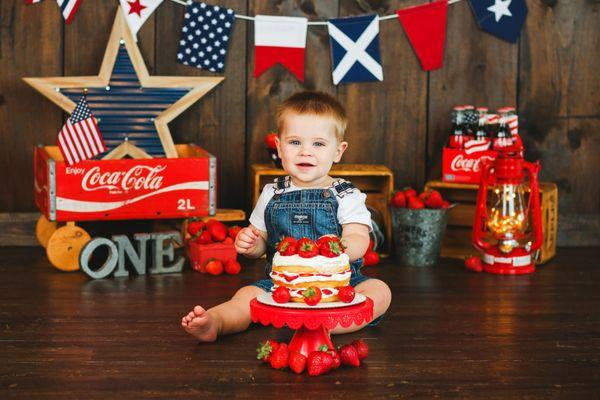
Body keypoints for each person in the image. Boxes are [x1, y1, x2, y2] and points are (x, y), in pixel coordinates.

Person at [181, 91, 392, 342]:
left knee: (379, 292)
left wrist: (339, 248)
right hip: (282, 287)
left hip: (338, 286)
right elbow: (261, 243)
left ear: (338, 151)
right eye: (295, 143)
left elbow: (359, 237)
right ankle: (216, 322)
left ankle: (326, 325)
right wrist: (250, 244)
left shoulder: (346, 194)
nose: (305, 152)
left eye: (318, 144)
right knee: (245, 296)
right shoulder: (272, 193)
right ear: (280, 148)